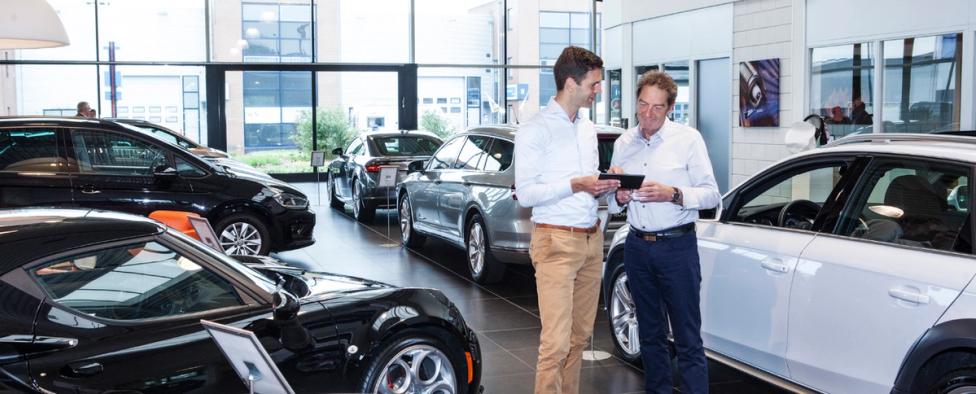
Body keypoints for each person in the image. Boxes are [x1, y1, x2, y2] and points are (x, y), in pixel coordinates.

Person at [607, 70, 721, 394]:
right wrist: (619, 196)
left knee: (687, 338)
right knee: (650, 336)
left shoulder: (687, 139)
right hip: (637, 246)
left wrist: (672, 193)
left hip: (676, 248)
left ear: (669, 107)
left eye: (657, 107)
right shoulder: (624, 143)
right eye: (643, 104)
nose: (648, 113)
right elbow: (613, 205)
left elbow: (711, 194)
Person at [513, 46, 619, 394]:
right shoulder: (535, 129)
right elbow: (526, 194)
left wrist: (606, 185)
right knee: (556, 344)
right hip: (555, 242)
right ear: (571, 83)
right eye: (594, 83)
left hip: (591, 240)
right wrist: (576, 183)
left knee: (579, 339)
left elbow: (588, 189)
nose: (598, 90)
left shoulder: (587, 128)